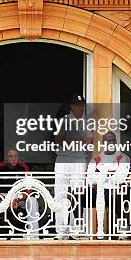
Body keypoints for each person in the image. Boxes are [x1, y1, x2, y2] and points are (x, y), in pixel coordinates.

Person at [54, 94, 92, 239]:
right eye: (77, 105)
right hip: (63, 160)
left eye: (82, 105)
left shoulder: (87, 122)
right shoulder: (64, 121)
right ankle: (61, 230)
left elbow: (88, 141)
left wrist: (71, 140)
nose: (80, 107)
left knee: (78, 194)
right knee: (61, 194)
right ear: (72, 106)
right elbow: (59, 140)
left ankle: (76, 228)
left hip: (78, 160)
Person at [0, 148, 39, 239]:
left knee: (33, 200)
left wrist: (18, 199)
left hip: (19, 196)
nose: (13, 158)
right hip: (2, 196)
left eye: (15, 156)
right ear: (6, 158)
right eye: (10, 156)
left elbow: (29, 188)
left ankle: (34, 236)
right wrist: (6, 200)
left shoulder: (23, 167)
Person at [87, 131, 131, 238]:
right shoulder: (95, 159)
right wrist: (107, 174)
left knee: (117, 193)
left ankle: (122, 226)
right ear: (103, 142)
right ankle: (77, 228)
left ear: (116, 142)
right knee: (78, 194)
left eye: (112, 140)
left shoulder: (123, 158)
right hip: (98, 190)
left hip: (115, 191)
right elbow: (89, 180)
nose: (110, 142)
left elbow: (121, 177)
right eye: (108, 140)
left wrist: (101, 176)